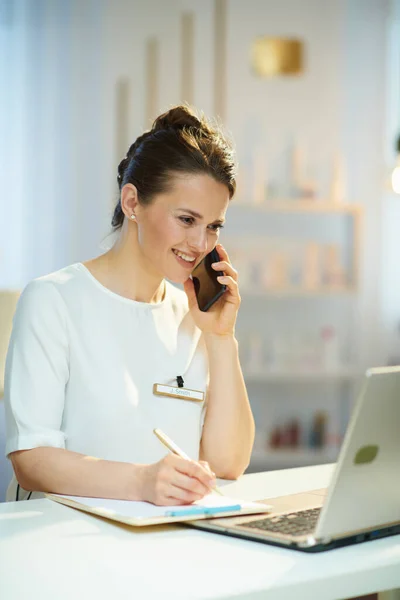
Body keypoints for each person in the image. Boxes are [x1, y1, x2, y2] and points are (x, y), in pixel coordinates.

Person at [4, 105, 255, 505]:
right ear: (132, 202)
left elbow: (228, 464)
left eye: (213, 226)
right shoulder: (53, 301)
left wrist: (222, 338)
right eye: (187, 219)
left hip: (163, 546)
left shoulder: (193, 319)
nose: (200, 244)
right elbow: (31, 459)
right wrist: (142, 482)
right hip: (63, 544)